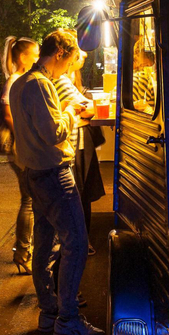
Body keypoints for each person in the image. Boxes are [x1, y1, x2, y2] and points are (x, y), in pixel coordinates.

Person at [9, 30, 103, 335]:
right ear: (60, 52)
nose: (70, 67)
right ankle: (69, 319)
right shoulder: (40, 84)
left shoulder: (21, 82)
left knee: (46, 244)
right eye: (70, 59)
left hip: (34, 172)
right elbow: (54, 133)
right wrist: (70, 112)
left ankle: (49, 312)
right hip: (53, 173)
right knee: (75, 242)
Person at [52, 49, 105, 256]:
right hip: (70, 147)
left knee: (77, 196)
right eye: (79, 55)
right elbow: (88, 109)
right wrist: (84, 112)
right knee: (76, 196)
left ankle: (76, 244)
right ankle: (77, 246)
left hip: (70, 145)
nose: (83, 58)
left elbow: (82, 108)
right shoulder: (62, 81)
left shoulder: (59, 80)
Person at [0, 36, 39, 273]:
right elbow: (7, 115)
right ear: (24, 57)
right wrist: (25, 137)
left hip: (22, 148)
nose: (37, 58)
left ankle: (23, 250)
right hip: (19, 149)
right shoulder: (15, 80)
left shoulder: (19, 79)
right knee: (29, 199)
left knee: (30, 198)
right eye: (35, 54)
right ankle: (22, 253)